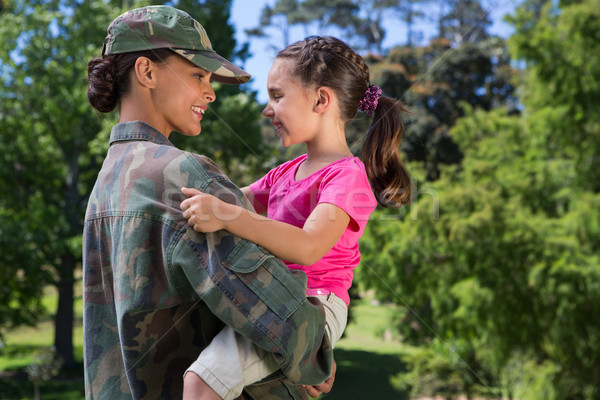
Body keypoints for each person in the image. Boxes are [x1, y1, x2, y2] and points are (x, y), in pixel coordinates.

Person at [82, 6, 335, 400]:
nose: (211, 92)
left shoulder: (105, 187)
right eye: (198, 75)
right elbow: (272, 306)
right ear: (146, 72)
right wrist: (316, 347)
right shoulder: (183, 175)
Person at [180, 35, 411, 400]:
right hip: (276, 295)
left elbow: (307, 247)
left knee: (200, 383)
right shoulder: (286, 172)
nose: (266, 109)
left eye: (277, 96)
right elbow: (233, 198)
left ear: (321, 100)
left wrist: (225, 215)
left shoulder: (347, 175)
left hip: (313, 305)